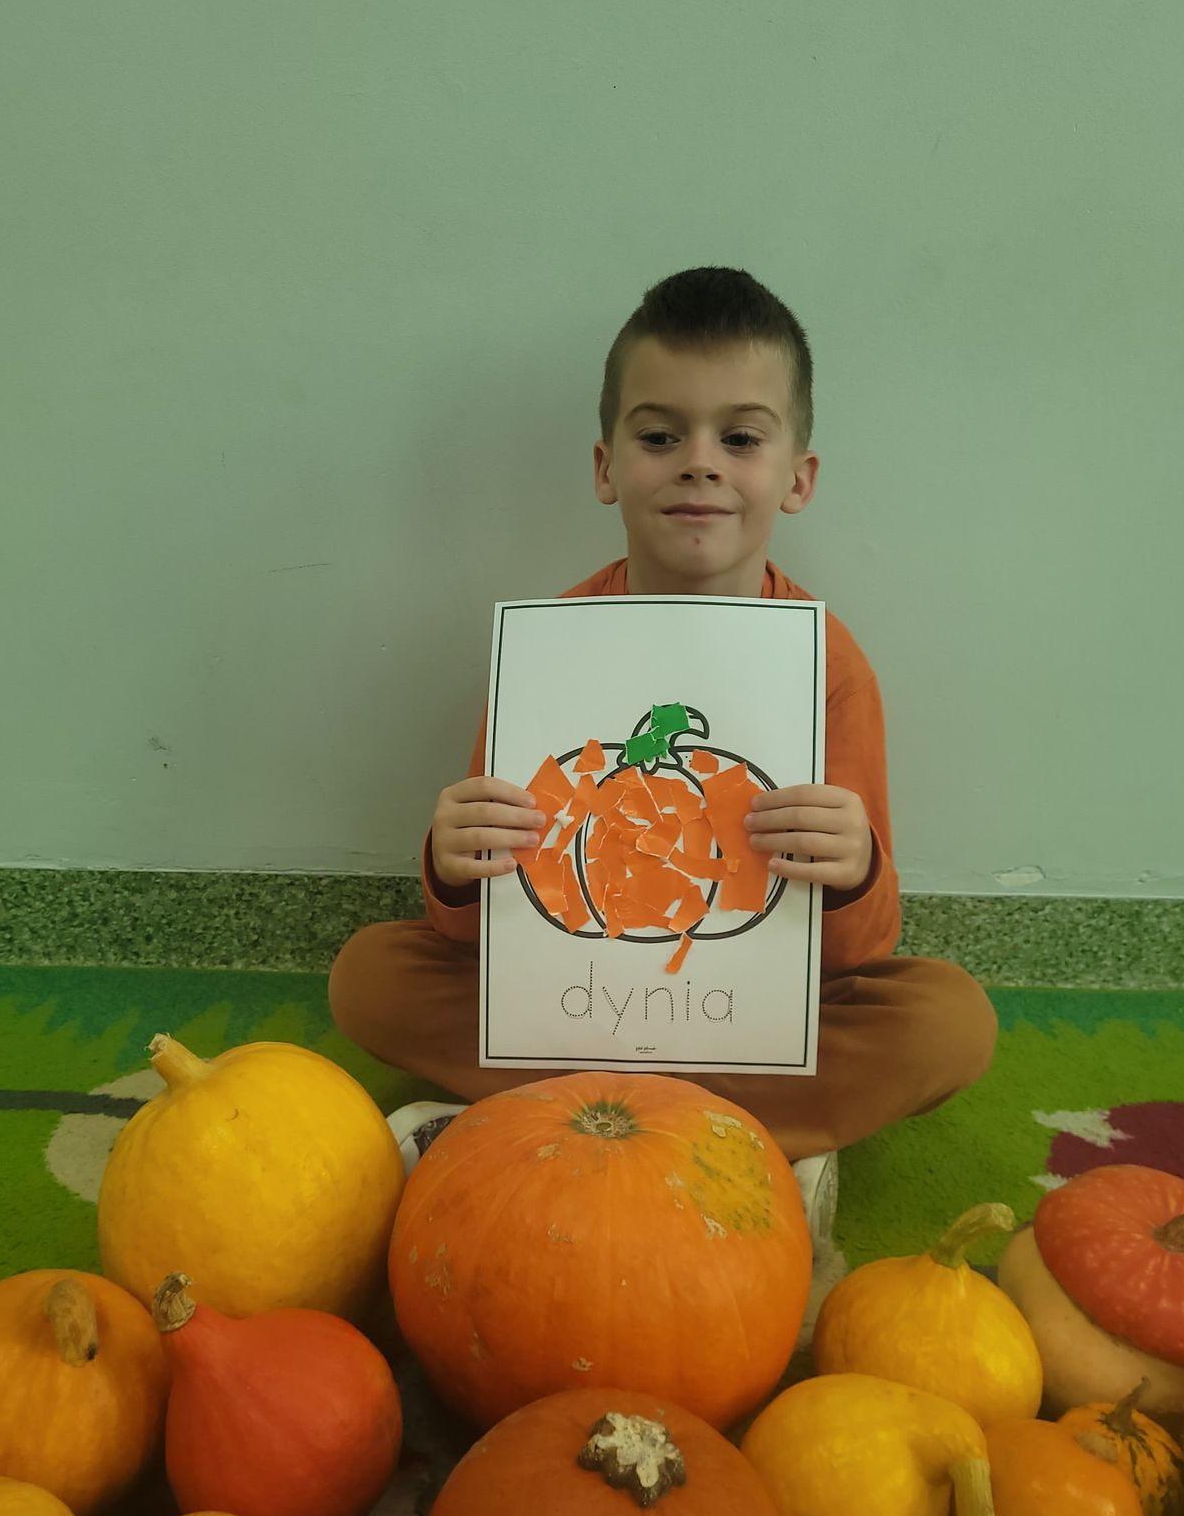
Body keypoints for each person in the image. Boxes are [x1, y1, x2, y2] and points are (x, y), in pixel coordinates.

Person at [330, 266, 997, 1290]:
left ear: (798, 476)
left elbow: (864, 949)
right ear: (607, 467)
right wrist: (454, 865)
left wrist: (854, 867)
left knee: (948, 1020)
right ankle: (757, 1141)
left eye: (741, 437)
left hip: (756, 1004)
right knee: (370, 975)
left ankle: (535, 1122)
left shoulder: (828, 665)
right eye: (659, 435)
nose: (699, 463)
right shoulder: (548, 650)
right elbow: (477, 933)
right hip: (575, 992)